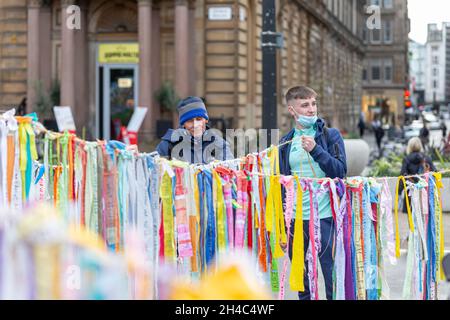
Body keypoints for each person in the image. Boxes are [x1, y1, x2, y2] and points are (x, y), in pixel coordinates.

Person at [279, 86, 347, 300]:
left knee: (331, 277)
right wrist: (283, 223)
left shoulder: (330, 136)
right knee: (302, 281)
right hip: (296, 221)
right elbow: (282, 183)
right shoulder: (285, 142)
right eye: (305, 105)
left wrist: (317, 150)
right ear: (292, 110)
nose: (311, 110)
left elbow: (340, 172)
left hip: (326, 217)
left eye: (313, 104)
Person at [156, 96, 233, 164]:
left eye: (199, 119)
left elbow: (229, 173)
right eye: (189, 121)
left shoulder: (218, 144)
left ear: (206, 120)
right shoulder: (169, 144)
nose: (195, 125)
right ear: (183, 124)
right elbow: (155, 171)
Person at [400, 137, 436, 214]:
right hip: (425, 190)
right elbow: (434, 173)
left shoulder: (406, 159)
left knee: (411, 216)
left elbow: (403, 175)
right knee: (425, 215)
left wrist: (399, 191)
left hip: (411, 190)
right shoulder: (427, 158)